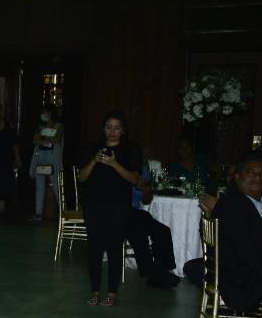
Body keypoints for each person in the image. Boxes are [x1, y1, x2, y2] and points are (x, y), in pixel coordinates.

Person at [213, 151, 262, 318]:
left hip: (257, 273)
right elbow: (247, 253)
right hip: (240, 279)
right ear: (236, 177)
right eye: (250, 172)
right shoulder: (234, 205)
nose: (257, 178)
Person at [78, 112, 142, 307]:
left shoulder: (131, 150)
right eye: (108, 127)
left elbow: (134, 179)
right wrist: (94, 161)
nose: (112, 131)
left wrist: (114, 163)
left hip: (119, 206)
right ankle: (95, 291)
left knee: (115, 247)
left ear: (123, 130)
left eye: (116, 128)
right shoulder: (93, 148)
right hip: (94, 204)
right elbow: (82, 177)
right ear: (103, 129)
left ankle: (112, 293)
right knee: (95, 248)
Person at [124, 164, 180, 289]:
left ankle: (162, 271)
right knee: (139, 232)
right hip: (119, 211)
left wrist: (146, 189)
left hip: (136, 212)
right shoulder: (119, 166)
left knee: (163, 231)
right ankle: (152, 273)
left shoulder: (143, 170)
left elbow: (146, 201)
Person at [29, 109, 64, 222]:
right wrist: (46, 139)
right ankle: (38, 214)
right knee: (39, 186)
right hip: (40, 156)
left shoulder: (59, 126)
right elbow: (35, 140)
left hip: (52, 156)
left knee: (56, 184)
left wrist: (42, 138)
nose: (43, 115)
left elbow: (57, 139)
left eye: (46, 112)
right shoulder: (41, 126)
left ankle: (64, 212)